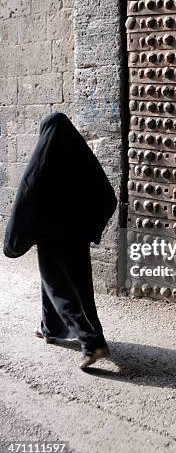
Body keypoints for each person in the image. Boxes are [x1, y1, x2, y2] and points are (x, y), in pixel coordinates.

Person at [3, 112, 117, 369]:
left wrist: (14, 239)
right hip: (77, 234)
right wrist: (91, 226)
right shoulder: (80, 157)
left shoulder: (44, 159)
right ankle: (50, 328)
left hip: (51, 236)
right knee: (80, 287)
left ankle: (91, 342)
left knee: (58, 288)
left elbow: (26, 192)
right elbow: (106, 193)